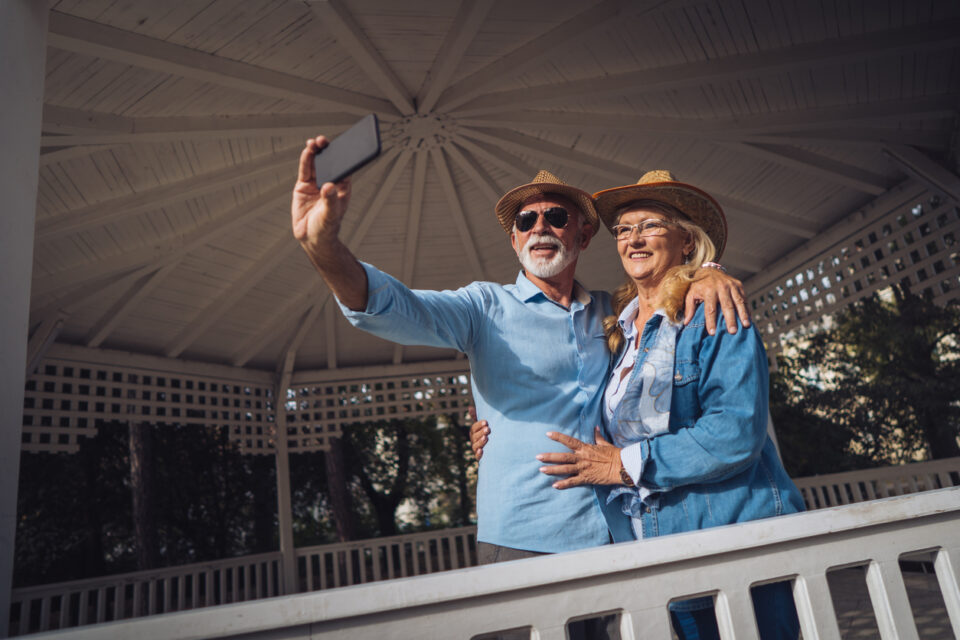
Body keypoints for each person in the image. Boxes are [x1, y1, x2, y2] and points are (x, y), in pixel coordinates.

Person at [291, 136, 751, 565]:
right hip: (522, 539)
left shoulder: (618, 314)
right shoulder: (483, 307)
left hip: (618, 531)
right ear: (514, 240)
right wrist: (324, 247)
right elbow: (392, 307)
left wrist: (708, 271)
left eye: (556, 217)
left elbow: (667, 291)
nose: (540, 228)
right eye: (526, 221)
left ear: (584, 236)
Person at [527, 170, 805, 639]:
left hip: (735, 542)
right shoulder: (619, 333)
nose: (633, 238)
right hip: (658, 548)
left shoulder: (712, 310)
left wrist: (624, 465)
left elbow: (735, 432)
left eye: (650, 225)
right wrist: (488, 427)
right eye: (624, 230)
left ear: (687, 243)